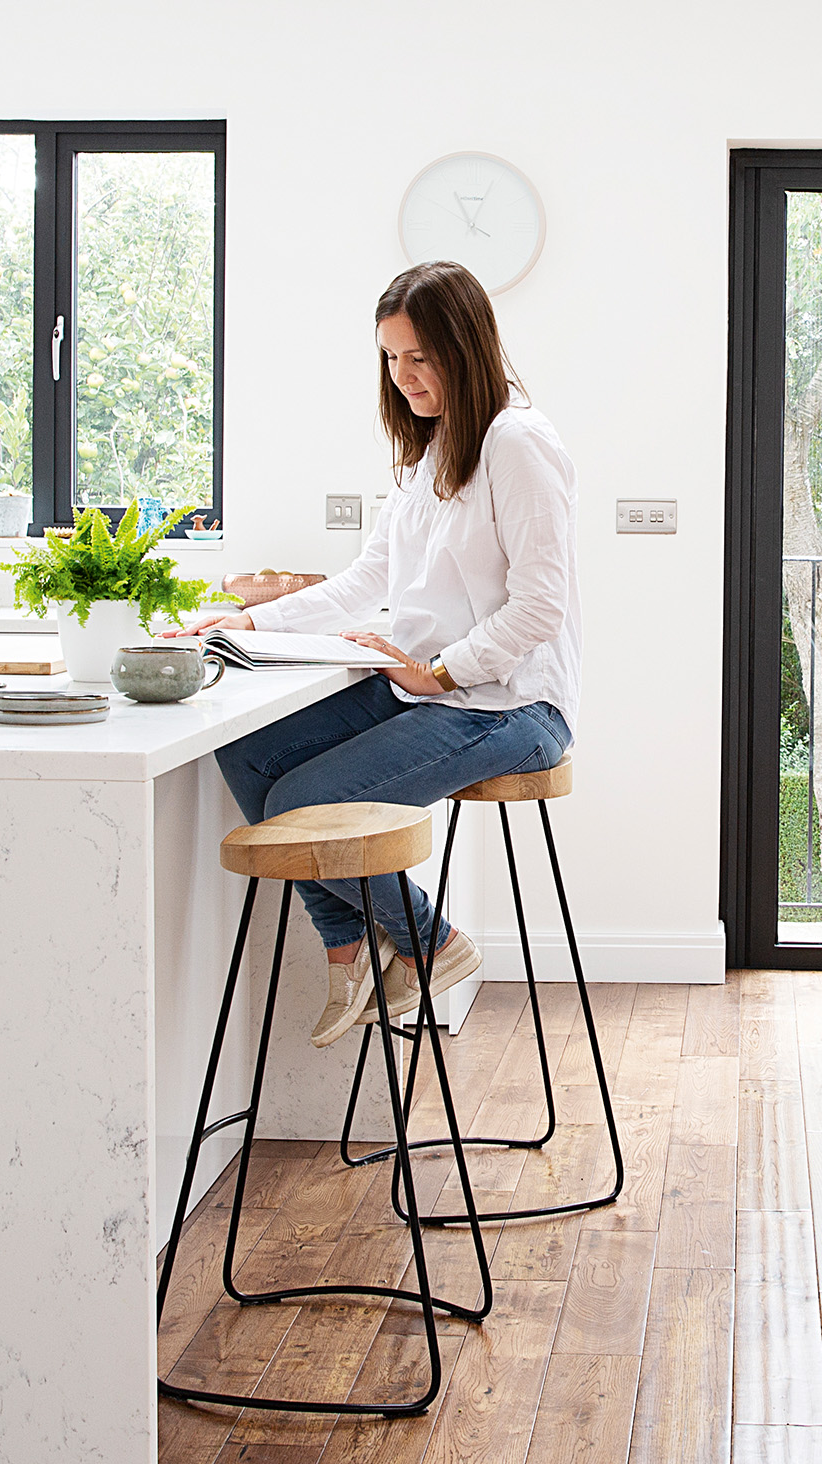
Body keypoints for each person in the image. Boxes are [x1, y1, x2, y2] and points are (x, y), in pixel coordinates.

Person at [188, 261, 580, 1048]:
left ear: (465, 348)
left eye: (419, 358)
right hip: (424, 690)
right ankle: (355, 950)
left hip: (510, 704)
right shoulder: (430, 454)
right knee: (250, 753)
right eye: (391, 358)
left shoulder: (518, 443)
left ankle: (432, 944)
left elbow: (541, 604)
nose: (402, 377)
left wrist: (438, 671)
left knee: (304, 802)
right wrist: (245, 627)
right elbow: (369, 580)